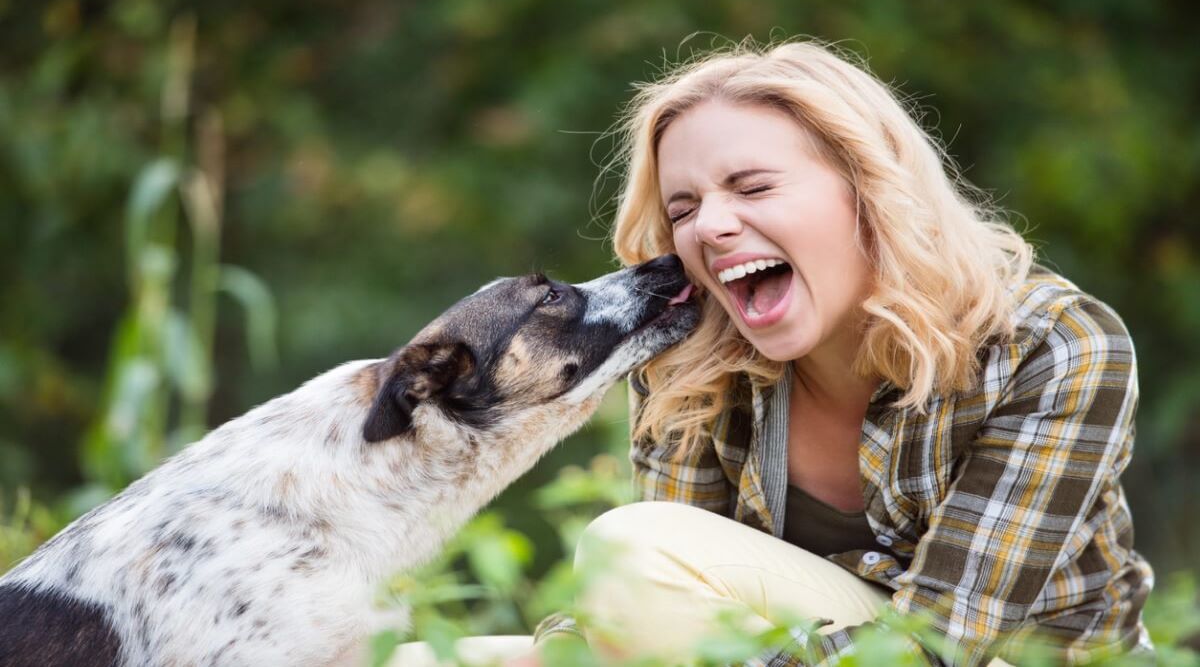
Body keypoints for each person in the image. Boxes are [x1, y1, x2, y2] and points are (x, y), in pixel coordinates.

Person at [394, 39, 1153, 667]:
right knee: (418, 662)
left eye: (752, 187)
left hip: (997, 656)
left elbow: (939, 641)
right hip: (803, 648)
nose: (710, 227)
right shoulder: (690, 357)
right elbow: (642, 603)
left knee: (632, 543)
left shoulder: (1056, 343)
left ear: (870, 189)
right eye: (683, 207)